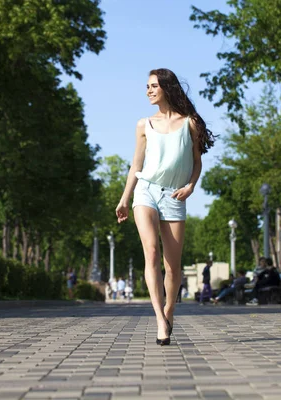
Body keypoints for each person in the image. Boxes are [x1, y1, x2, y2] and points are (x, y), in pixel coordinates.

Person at [115, 68, 215, 346]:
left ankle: (170, 310)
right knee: (151, 251)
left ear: (167, 88)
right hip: (145, 191)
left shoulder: (190, 123)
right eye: (146, 86)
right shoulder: (143, 124)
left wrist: (191, 186)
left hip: (174, 196)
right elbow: (136, 166)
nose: (148, 91)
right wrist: (125, 198)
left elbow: (197, 162)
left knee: (173, 267)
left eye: (153, 86)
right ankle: (159, 318)